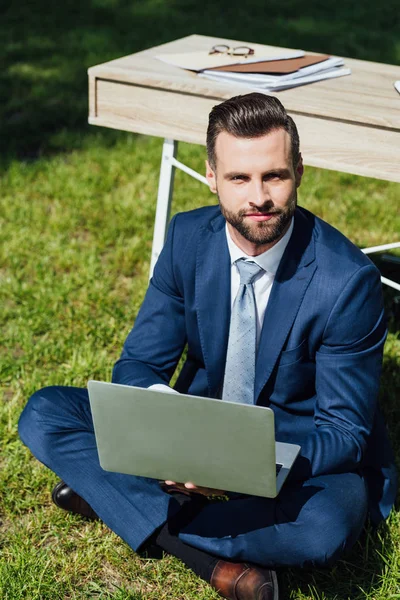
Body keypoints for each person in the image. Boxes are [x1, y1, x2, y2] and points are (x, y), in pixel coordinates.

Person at [18, 93, 397, 600]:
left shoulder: (346, 281)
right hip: (191, 425)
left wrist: (237, 469)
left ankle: (120, 502)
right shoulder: (185, 239)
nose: (258, 197)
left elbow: (345, 432)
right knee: (45, 413)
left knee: (322, 530)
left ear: (300, 172)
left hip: (291, 453)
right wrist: (171, 437)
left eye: (274, 176)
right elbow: (139, 363)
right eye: (239, 178)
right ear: (212, 176)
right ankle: (206, 554)